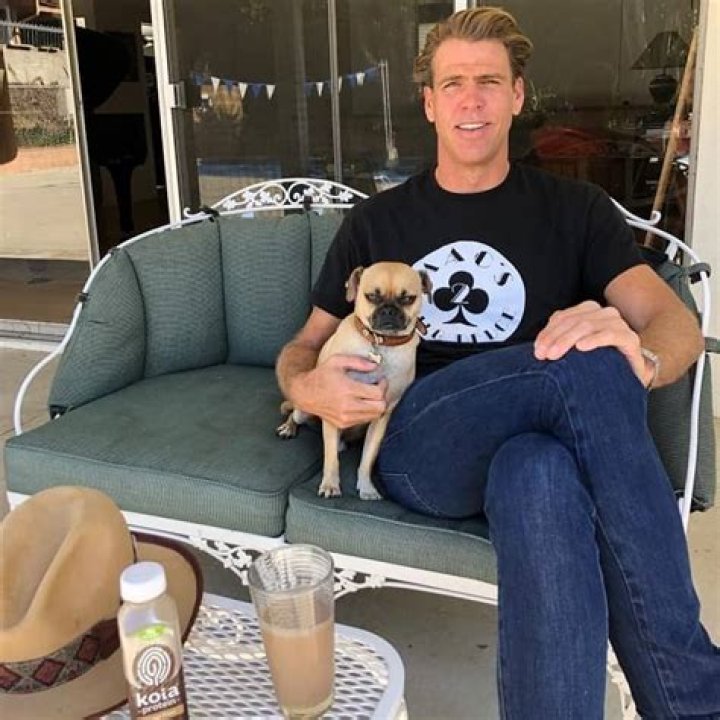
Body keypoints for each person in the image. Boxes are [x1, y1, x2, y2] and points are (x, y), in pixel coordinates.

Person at [276, 7, 720, 718]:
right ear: (430, 104)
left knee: (539, 469)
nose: (471, 101)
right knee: (587, 362)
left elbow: (676, 327)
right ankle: (696, 700)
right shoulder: (378, 223)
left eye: (489, 82)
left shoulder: (576, 210)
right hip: (422, 443)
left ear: (517, 95)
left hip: (535, 443)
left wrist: (637, 361)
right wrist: (308, 386)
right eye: (453, 84)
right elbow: (304, 344)